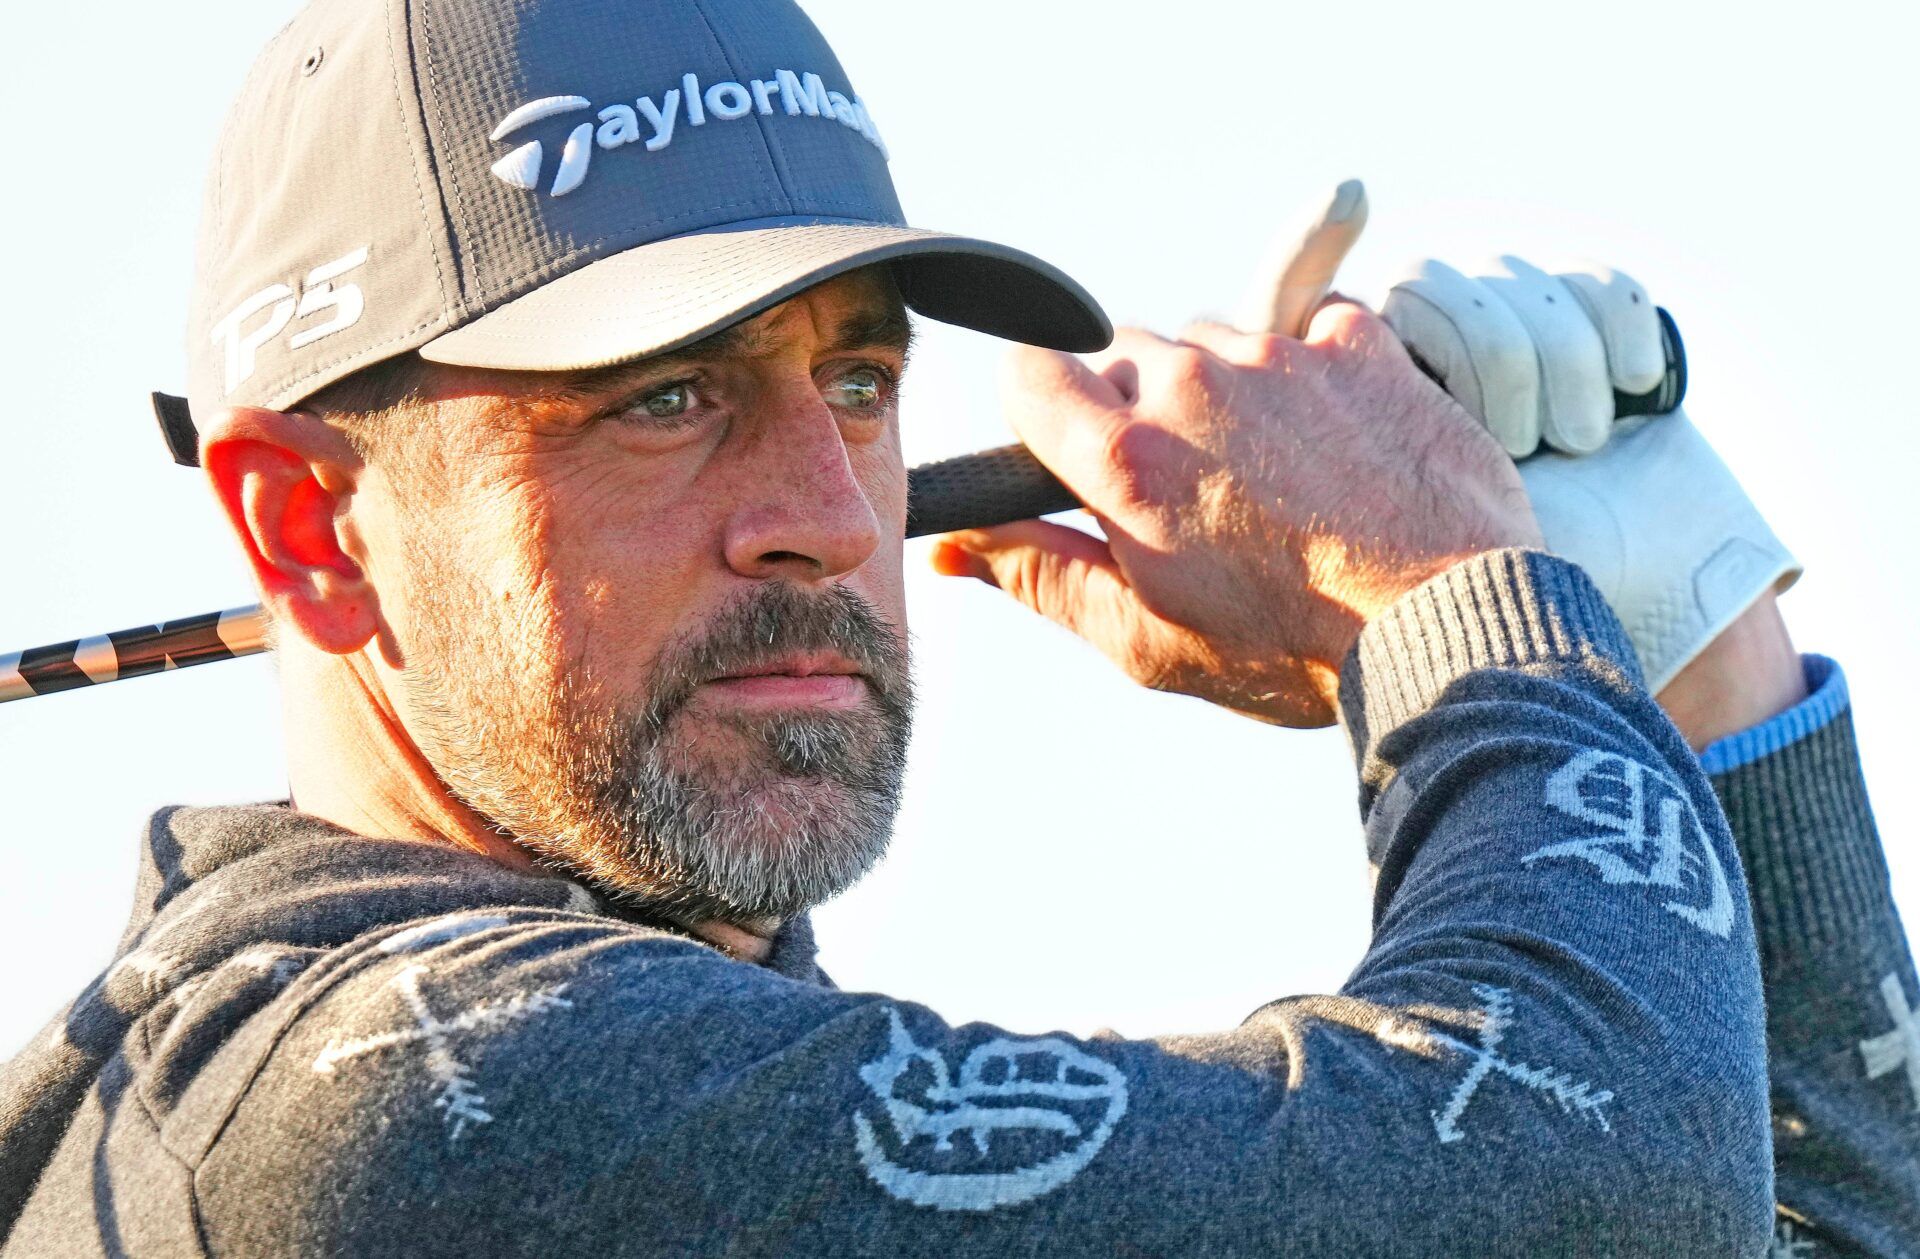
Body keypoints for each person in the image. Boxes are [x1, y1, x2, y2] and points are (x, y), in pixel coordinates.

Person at [0, 0, 1910, 1255]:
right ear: (305, 523)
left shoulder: (682, 1096)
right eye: (661, 399)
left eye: (852, 382)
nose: (829, 520)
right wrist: (1448, 611)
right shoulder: (398, 1112)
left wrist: (1680, 648)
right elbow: (1600, 1196)